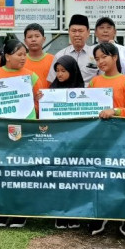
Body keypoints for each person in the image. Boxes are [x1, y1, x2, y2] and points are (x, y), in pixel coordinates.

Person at [0, 39, 42, 229]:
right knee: (1, 171)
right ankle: (1, 213)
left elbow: (40, 105)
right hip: (0, 131)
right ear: (7, 56)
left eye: (24, 54)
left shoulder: (32, 76)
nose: (23, 58)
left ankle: (20, 213)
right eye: (19, 54)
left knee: (22, 171)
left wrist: (39, 100)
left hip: (25, 131)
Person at [89, 42, 125, 238]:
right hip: (100, 140)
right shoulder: (94, 83)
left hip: (121, 139)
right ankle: (100, 216)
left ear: (115, 57)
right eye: (97, 58)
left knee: (122, 178)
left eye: (104, 57)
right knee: (100, 178)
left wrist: (115, 111)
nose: (101, 61)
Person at [48, 55, 85, 231]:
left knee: (75, 179)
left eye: (63, 71)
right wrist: (42, 98)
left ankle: (75, 214)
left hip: (76, 143)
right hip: (57, 143)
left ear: (73, 71)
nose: (60, 74)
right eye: (57, 71)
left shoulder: (82, 92)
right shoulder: (51, 90)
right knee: (59, 179)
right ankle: (59, 214)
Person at [48, 14, 98, 86]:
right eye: (74, 31)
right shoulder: (60, 55)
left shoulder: (95, 55)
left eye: (80, 31)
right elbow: (52, 81)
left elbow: (103, 79)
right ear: (69, 32)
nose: (77, 34)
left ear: (88, 32)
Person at [24, 23, 53, 88]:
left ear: (44, 39)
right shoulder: (20, 61)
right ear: (25, 41)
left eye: (37, 36)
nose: (33, 39)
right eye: (29, 37)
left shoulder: (53, 60)